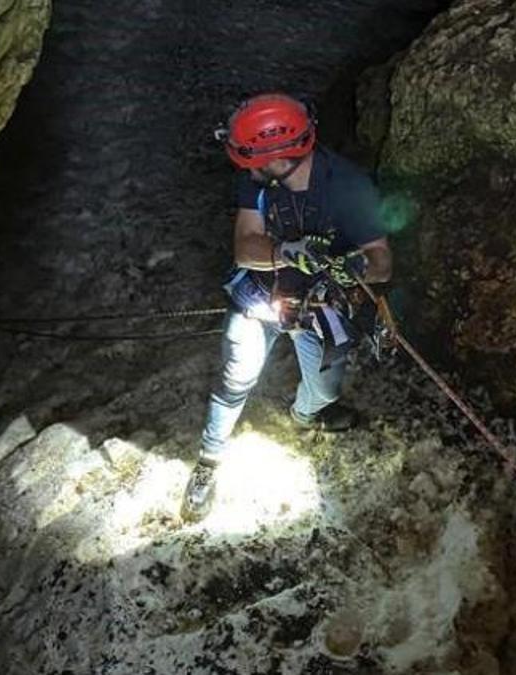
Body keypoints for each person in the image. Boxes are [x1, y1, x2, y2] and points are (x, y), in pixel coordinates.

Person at [181, 92, 393, 520]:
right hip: (260, 296)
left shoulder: (349, 187)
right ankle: (208, 460)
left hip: (319, 304)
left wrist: (356, 266)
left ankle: (306, 413)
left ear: (279, 156)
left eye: (250, 161)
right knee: (237, 376)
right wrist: (287, 252)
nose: (245, 169)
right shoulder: (260, 180)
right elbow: (245, 247)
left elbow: (382, 262)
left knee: (326, 390)